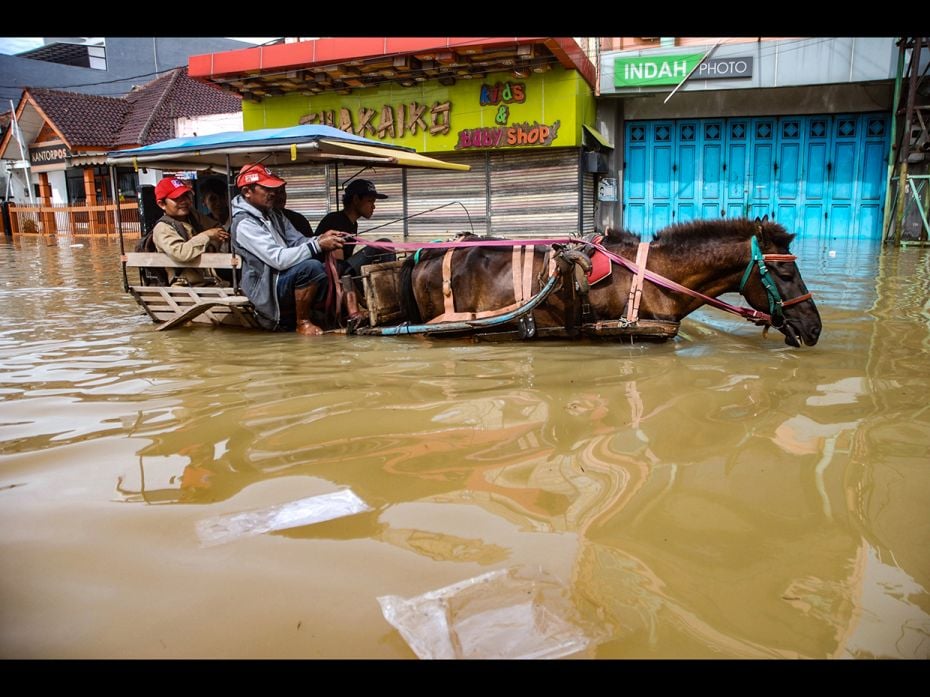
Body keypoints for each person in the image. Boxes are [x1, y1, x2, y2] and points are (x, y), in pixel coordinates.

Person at [230, 162, 346, 336]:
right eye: (266, 189)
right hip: (266, 284)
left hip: (282, 276)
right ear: (247, 192)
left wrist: (321, 239)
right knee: (311, 268)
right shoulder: (244, 223)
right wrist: (317, 245)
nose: (273, 193)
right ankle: (302, 322)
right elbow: (278, 259)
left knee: (338, 265)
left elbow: (298, 241)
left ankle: (349, 313)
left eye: (274, 189)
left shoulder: (274, 214)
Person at [152, 177, 229, 287]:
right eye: (177, 198)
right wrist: (207, 235)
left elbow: (216, 227)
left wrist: (214, 241)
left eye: (186, 196)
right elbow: (181, 253)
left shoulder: (192, 216)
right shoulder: (162, 228)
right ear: (162, 204)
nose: (184, 201)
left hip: (208, 282)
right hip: (185, 286)